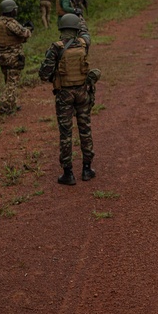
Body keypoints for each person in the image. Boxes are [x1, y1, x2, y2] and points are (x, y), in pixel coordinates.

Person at [38, 13, 100, 185]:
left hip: (64, 95)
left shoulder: (56, 48)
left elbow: (44, 74)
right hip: (82, 92)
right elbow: (86, 35)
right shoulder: (83, 44)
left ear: (61, 29)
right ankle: (87, 169)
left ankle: (68, 173)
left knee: (66, 133)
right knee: (85, 129)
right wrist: (82, 19)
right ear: (76, 29)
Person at [0, 0, 33, 115]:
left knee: (8, 80)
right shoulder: (11, 23)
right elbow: (23, 33)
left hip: (2, 55)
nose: (16, 11)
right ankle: (5, 107)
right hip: (13, 56)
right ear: (10, 10)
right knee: (12, 82)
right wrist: (29, 30)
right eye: (14, 9)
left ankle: (12, 103)